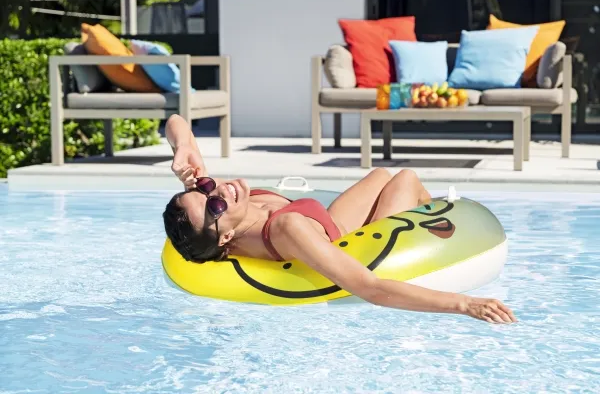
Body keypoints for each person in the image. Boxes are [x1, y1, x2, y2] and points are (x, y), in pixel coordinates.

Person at [162, 114, 517, 324]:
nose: (218, 191)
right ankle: (429, 221)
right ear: (225, 239)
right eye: (214, 206)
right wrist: (464, 304)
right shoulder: (286, 229)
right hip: (342, 242)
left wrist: (183, 148)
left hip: (330, 221)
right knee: (406, 179)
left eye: (205, 186)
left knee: (381, 175)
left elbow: (176, 122)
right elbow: (371, 288)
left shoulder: (221, 206)